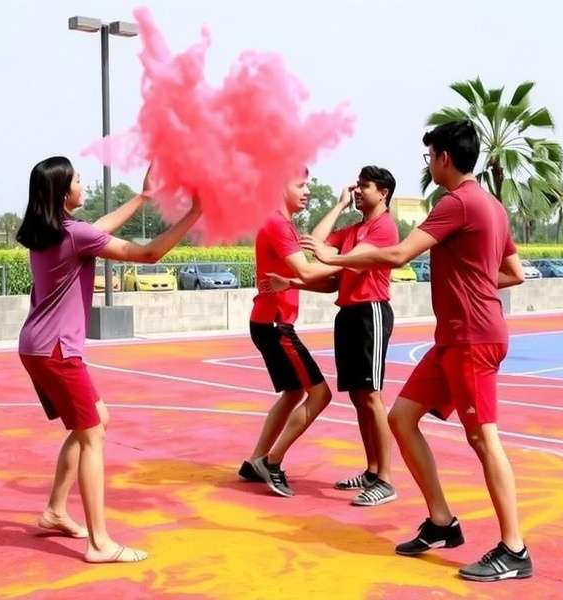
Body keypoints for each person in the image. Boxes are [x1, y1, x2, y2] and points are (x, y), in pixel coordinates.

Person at [301, 121, 532, 581]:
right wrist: (475, 283)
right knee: (401, 417)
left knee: (484, 439)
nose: (428, 164)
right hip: (454, 338)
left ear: (445, 157)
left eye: (430, 156)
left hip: (472, 338)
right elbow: (514, 272)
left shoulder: (458, 202)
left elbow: (396, 255)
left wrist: (334, 258)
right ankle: (442, 521)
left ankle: (514, 549)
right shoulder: (490, 205)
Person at [17, 156, 201, 563]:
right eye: (79, 180)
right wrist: (194, 213)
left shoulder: (47, 231)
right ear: (64, 193)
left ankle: (54, 511)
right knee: (93, 436)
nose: (85, 184)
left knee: (94, 421)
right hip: (58, 351)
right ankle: (100, 542)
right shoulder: (74, 234)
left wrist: (143, 197)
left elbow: (96, 229)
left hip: (37, 345)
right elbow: (149, 254)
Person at [239, 168, 342, 498]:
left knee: (294, 393)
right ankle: (272, 461)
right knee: (320, 394)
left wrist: (339, 206)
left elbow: (310, 257)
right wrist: (357, 261)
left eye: (309, 182)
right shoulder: (277, 224)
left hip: (268, 321)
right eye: (301, 183)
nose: (307, 189)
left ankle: (255, 460)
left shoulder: (281, 223)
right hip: (275, 324)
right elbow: (309, 269)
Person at [303, 166, 399, 506]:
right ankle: (372, 471)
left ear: (383, 192)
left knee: (371, 395)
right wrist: (339, 205)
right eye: (356, 186)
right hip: (348, 314)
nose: (358, 191)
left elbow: (354, 263)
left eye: (365, 186)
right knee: (358, 398)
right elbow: (316, 243)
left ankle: (386, 479)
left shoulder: (384, 228)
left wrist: (330, 259)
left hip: (370, 312)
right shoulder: (355, 228)